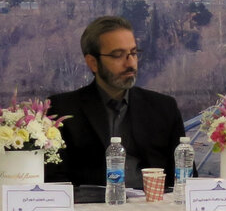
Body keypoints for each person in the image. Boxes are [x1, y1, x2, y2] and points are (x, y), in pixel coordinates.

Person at [47, 15, 185, 189]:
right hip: (91, 203)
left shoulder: (163, 108)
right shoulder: (63, 110)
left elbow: (185, 176)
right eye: (118, 55)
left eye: (133, 53)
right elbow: (54, 180)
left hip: (154, 201)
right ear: (93, 63)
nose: (130, 63)